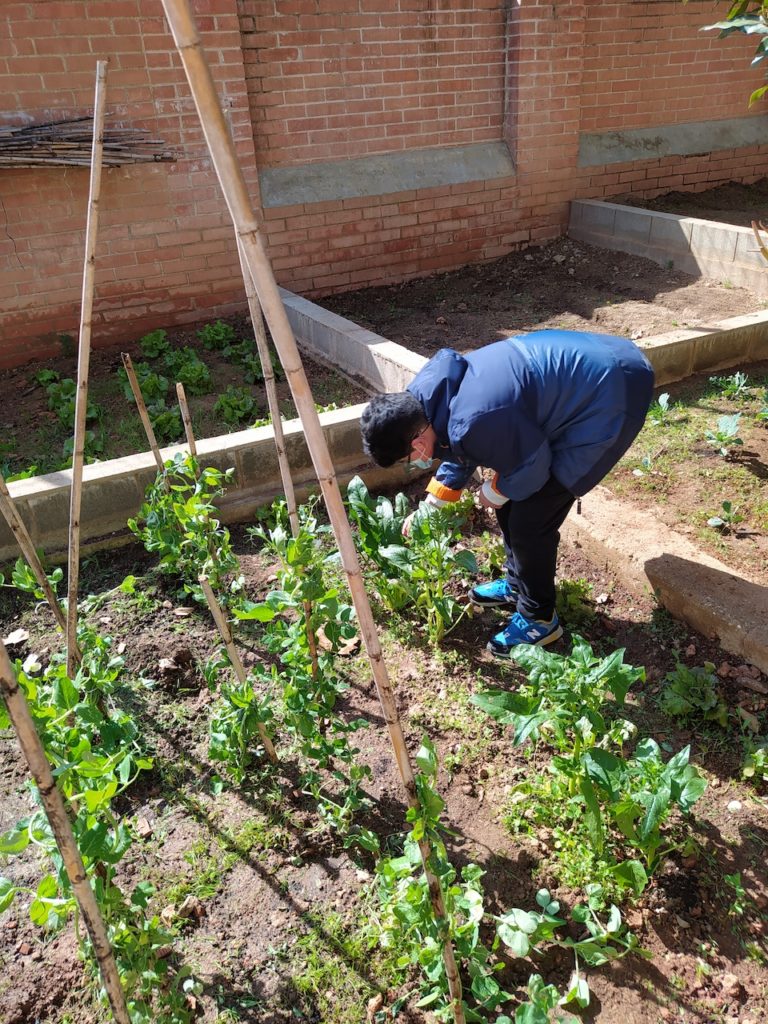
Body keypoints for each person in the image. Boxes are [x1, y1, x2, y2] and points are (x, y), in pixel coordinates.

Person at [360, 329, 654, 657]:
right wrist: (433, 503)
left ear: (417, 444)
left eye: (407, 460)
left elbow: (532, 466)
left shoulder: (472, 419)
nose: (414, 464)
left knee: (532, 520)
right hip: (585, 373)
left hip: (612, 392)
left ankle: (539, 619)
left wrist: (497, 489)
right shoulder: (426, 401)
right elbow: (455, 446)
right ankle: (518, 586)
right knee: (512, 503)